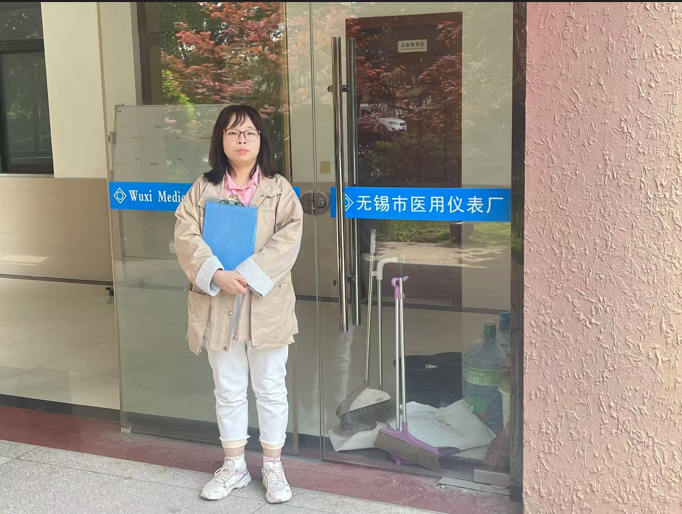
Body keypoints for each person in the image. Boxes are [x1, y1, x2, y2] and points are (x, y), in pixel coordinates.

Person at [174, 105, 303, 504]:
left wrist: (246, 273)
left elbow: (289, 239)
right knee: (228, 388)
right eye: (232, 132)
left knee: (270, 387)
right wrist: (216, 274)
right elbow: (185, 235)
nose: (241, 139)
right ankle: (234, 466)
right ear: (221, 140)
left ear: (261, 139)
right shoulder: (203, 188)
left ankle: (273, 466)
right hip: (219, 301)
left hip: (264, 301)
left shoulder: (279, 189)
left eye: (249, 132)